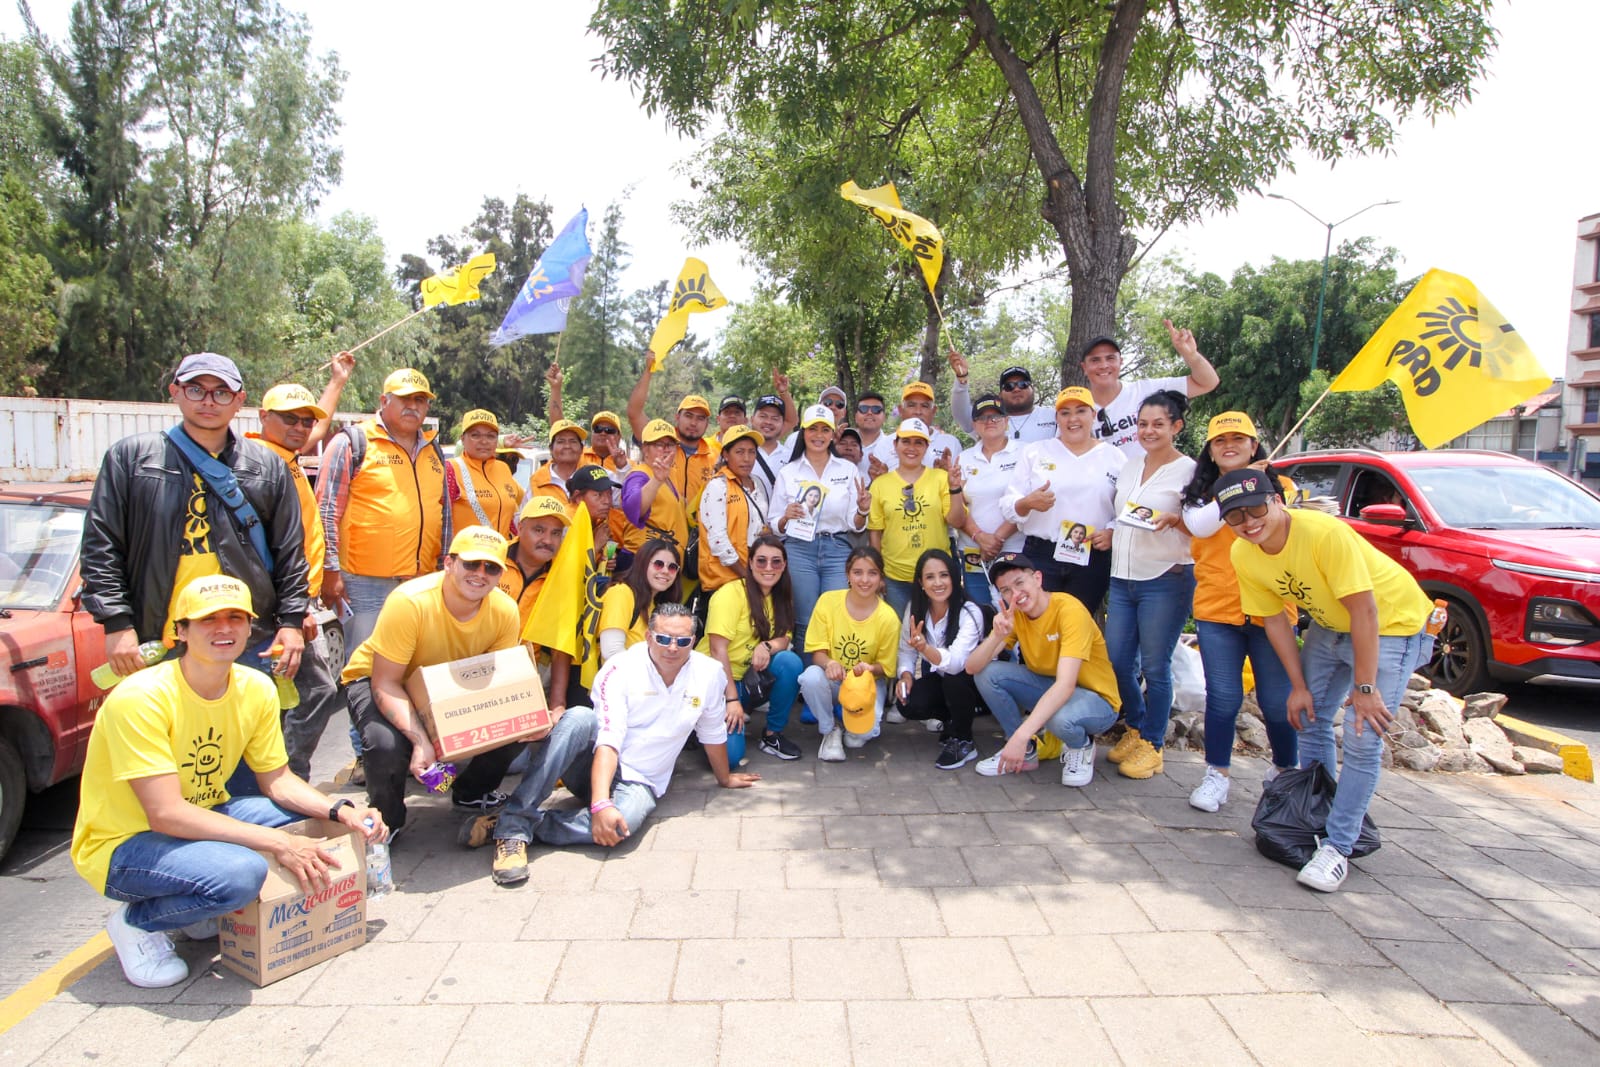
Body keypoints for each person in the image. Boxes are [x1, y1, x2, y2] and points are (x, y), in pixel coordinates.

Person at [71, 575, 386, 989]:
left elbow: (277, 780)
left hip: (200, 814)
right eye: (208, 619)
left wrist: (342, 810)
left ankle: (197, 901)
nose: (224, 628)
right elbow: (165, 814)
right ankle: (137, 922)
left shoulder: (255, 687)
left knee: (303, 820)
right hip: (124, 843)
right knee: (241, 875)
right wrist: (279, 843)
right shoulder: (141, 698)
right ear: (181, 631)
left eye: (235, 617)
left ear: (249, 626)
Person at [81, 353, 312, 796]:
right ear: (175, 392)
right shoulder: (132, 458)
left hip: (244, 639)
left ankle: (245, 834)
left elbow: (290, 553)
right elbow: (101, 546)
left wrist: (290, 623)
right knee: (162, 766)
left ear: (239, 400)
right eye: (196, 389)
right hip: (160, 640)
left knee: (247, 768)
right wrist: (117, 624)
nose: (208, 401)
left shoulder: (266, 467)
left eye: (221, 392)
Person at [1219, 467, 1435, 892]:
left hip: (1392, 623)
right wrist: (1298, 687)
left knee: (1362, 735)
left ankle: (1339, 845)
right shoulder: (1244, 553)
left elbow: (1365, 611)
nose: (1248, 522)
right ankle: (1316, 815)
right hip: (1329, 624)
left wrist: (1365, 688)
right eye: (1235, 516)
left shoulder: (1322, 533)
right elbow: (1274, 620)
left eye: (1256, 508)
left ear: (1277, 501)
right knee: (1309, 717)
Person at [512, 602, 760, 851]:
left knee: (623, 824)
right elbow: (609, 740)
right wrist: (601, 804)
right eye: (663, 639)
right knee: (578, 718)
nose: (673, 648)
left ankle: (525, 825)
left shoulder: (710, 673)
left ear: (693, 641)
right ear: (648, 637)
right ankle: (517, 817)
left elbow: (711, 731)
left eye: (682, 641)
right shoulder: (620, 668)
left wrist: (724, 778)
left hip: (641, 778)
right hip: (594, 762)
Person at [341, 526, 527, 831]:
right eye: (471, 563)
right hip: (380, 679)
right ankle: (387, 822)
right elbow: (385, 683)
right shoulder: (410, 602)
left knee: (520, 722)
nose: (480, 574)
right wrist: (420, 740)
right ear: (449, 563)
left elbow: (498, 684)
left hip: (442, 685)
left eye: (491, 568)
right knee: (385, 744)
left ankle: (472, 792)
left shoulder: (505, 610)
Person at [1180, 413, 1300, 813]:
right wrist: (1239, 486)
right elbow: (1200, 527)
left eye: (1238, 438)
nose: (1229, 445)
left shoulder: (1282, 488)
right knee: (1223, 698)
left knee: (1278, 702)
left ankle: (1285, 772)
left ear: (1254, 445)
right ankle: (1217, 774)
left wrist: (1259, 486)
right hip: (1219, 611)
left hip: (1272, 609)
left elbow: (1288, 529)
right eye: (1220, 441)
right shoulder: (1198, 494)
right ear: (1210, 451)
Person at [248, 379, 354, 780]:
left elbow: (319, 428)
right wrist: (290, 615)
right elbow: (263, 549)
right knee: (305, 692)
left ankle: (282, 776)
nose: (300, 427)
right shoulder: (260, 465)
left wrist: (338, 380)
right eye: (289, 419)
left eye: (305, 421)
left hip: (296, 601)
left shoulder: (286, 456)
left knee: (296, 692)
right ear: (263, 417)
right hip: (278, 607)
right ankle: (284, 777)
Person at [316, 367, 450, 656]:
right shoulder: (353, 442)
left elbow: (444, 515)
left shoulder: (434, 451)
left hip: (421, 581)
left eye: (420, 400)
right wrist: (330, 571)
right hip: (365, 584)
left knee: (414, 661)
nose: (413, 406)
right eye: (404, 399)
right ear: (384, 401)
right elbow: (326, 511)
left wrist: (443, 568)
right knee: (364, 664)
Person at [1104, 390, 1197, 781]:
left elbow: (1204, 527)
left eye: (1158, 424)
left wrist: (1177, 521)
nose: (1148, 431)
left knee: (1157, 666)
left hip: (1166, 578)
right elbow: (1124, 515)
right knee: (1118, 659)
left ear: (1177, 426)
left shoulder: (1190, 471)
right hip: (1123, 578)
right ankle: (1136, 727)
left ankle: (1153, 744)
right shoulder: (1130, 466)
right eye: (1143, 424)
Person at [968, 555, 1121, 785]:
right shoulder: (1016, 616)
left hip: (1097, 700)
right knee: (988, 674)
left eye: (1020, 583)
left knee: (1059, 718)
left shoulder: (1069, 610)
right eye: (1006, 590)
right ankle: (1026, 752)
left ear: (1038, 579)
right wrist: (997, 636)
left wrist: (1021, 734)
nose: (1015, 594)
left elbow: (1066, 684)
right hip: (1054, 689)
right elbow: (973, 667)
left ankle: (1081, 747)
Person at [1000, 387, 1122, 610]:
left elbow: (1124, 508)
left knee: (1079, 623)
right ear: (1057, 418)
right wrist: (1026, 503)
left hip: (1090, 555)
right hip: (1041, 554)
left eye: (1081, 411)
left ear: (1093, 415)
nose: (1073, 419)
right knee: (1039, 623)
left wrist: (1112, 532)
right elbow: (1009, 504)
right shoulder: (1035, 452)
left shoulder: (1114, 457)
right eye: (1065, 413)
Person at [771, 404, 869, 649]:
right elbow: (774, 524)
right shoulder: (788, 472)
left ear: (833, 434)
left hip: (838, 549)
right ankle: (807, 672)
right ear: (803, 432)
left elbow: (855, 525)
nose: (818, 435)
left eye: (825, 430)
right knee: (804, 620)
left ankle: (832, 672)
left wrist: (863, 510)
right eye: (812, 429)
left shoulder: (848, 470)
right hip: (799, 550)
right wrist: (786, 517)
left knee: (836, 617)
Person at [699, 534, 804, 761]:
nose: (769, 568)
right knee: (731, 758)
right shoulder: (731, 594)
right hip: (716, 683)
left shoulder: (781, 596)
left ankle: (772, 735)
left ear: (784, 565)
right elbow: (717, 650)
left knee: (790, 662)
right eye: (761, 561)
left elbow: (784, 638)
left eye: (776, 562)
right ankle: (700, 724)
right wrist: (731, 700)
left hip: (747, 679)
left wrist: (766, 646)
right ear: (750, 563)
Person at [798, 546, 900, 761]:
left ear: (881, 578)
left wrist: (870, 668)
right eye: (857, 572)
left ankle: (852, 721)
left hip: (866, 685)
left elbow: (886, 668)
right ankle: (830, 729)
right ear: (847, 574)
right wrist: (830, 664)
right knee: (810, 677)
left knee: (861, 736)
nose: (865, 580)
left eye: (872, 573)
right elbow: (817, 654)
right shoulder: (828, 601)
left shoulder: (889, 618)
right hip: (835, 681)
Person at [896, 549, 988, 770]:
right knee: (909, 703)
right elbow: (906, 651)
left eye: (944, 575)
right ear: (921, 583)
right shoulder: (915, 607)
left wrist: (925, 649)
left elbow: (956, 664)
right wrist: (906, 676)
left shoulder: (969, 611)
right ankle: (952, 721)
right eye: (930, 577)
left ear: (954, 578)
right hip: (944, 678)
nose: (938, 583)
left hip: (975, 684)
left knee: (954, 680)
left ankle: (964, 740)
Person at [868, 418, 967, 617]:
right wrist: (878, 572)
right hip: (896, 577)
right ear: (895, 445)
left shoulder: (941, 478)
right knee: (900, 632)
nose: (911, 448)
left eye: (918, 442)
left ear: (927, 447)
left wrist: (955, 488)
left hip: (936, 575)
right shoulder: (880, 484)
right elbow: (875, 533)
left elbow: (957, 521)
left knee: (937, 630)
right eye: (906, 441)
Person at [1082, 320, 1220, 458]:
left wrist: (1191, 355)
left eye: (1110, 358)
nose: (1103, 365)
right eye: (1095, 360)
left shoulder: (1147, 389)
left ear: (1121, 362)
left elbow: (1207, 383)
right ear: (1084, 367)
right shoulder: (1074, 409)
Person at [954, 393, 1024, 608]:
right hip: (973, 551)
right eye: (983, 417)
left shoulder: (1026, 452)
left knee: (1017, 613)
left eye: (996, 416)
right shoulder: (964, 458)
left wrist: (997, 539)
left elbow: (1027, 502)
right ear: (975, 424)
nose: (990, 421)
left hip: (1015, 549)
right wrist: (980, 537)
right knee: (980, 612)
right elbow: (958, 504)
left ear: (1007, 420)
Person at [626, 364, 718, 518]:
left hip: (699, 529)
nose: (694, 423)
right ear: (677, 417)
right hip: (657, 527)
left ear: (707, 424)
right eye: (688, 416)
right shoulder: (659, 441)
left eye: (700, 418)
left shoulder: (715, 455)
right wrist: (648, 371)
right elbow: (634, 413)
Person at [698, 424, 773, 593]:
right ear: (726, 454)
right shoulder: (718, 486)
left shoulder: (758, 483)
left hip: (755, 574)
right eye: (739, 452)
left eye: (751, 452)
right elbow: (718, 539)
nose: (747, 458)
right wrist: (747, 576)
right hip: (724, 580)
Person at [617, 418, 691, 573]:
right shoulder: (639, 475)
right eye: (659, 445)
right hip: (642, 563)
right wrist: (656, 480)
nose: (666, 450)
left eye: (670, 445)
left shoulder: (669, 476)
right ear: (645, 448)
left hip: (665, 565)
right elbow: (633, 509)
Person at [598, 539, 683, 665]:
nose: (665, 571)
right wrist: (648, 675)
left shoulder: (655, 604)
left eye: (672, 567)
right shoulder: (621, 593)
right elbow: (611, 651)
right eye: (658, 564)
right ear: (642, 564)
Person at [447, 409, 524, 538]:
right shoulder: (451, 469)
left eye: (491, 436)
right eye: (475, 435)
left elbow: (508, 517)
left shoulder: (503, 469)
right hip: (465, 550)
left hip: (501, 550)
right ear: (463, 439)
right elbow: (440, 521)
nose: (484, 441)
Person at [499, 495, 570, 630]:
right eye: (539, 530)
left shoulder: (563, 575)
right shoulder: (492, 558)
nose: (547, 540)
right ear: (520, 528)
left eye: (555, 533)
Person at [947, 356, 1058, 442]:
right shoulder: (987, 420)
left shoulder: (1054, 416)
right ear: (1000, 395)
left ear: (1033, 389)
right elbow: (961, 414)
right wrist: (961, 378)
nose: (1016, 389)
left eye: (1023, 384)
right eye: (1009, 386)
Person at [896, 382, 963, 466]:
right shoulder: (885, 445)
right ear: (900, 410)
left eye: (924, 406)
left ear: (934, 411)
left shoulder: (950, 443)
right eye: (911, 405)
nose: (918, 411)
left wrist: (945, 473)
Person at [526, 418, 589, 503]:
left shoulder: (594, 475)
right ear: (551, 449)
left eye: (573, 441)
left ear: (582, 448)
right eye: (561, 441)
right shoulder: (537, 481)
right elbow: (525, 511)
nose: (567, 446)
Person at [852, 391, 896, 477]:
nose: (869, 413)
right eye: (864, 409)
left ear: (884, 417)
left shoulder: (894, 447)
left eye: (876, 409)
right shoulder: (842, 443)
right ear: (855, 417)